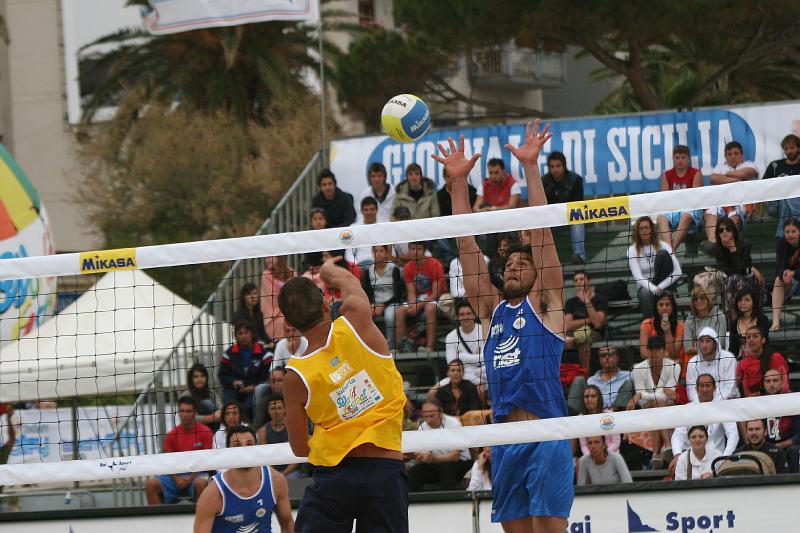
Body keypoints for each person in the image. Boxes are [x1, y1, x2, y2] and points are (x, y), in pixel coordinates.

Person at [435, 122, 574, 530]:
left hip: (546, 436)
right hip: (505, 442)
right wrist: (458, 186)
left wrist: (531, 169)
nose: (513, 267)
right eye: (509, 264)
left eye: (522, 263)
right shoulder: (492, 310)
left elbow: (543, 234)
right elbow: (466, 246)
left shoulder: (547, 303)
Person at [279, 259, 408, 532]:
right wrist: (327, 269)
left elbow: (300, 448)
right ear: (326, 303)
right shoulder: (357, 319)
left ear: (289, 323)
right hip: (384, 469)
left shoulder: (294, 378)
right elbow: (349, 282)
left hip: (335, 477)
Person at [193, 425, 294, 533]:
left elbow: (287, 524)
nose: (244, 449)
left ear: (257, 448)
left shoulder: (276, 480)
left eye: (249, 444)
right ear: (228, 452)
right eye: (237, 445)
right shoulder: (213, 494)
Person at [145, 397, 213, 505]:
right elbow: (168, 462)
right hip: (174, 475)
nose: (185, 414)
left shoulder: (205, 431)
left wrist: (190, 479)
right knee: (150, 485)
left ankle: (201, 519)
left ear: (195, 412)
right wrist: (176, 478)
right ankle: (157, 520)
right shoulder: (172, 434)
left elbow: (206, 462)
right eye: (182, 411)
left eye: (188, 411)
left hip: (197, 474)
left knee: (201, 483)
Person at [628, 336, 681, 469]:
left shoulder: (674, 366)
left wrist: (641, 394)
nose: (654, 353)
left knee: (658, 404)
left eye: (657, 349)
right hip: (647, 407)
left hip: (668, 406)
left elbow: (668, 394)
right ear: (647, 351)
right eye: (651, 349)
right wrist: (647, 396)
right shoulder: (638, 368)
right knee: (657, 403)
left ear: (664, 351)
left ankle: (656, 454)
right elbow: (648, 399)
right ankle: (667, 446)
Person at [669, 374, 738, 473]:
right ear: (696, 389)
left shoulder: (723, 408)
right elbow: (678, 435)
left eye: (708, 385)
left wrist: (725, 457)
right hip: (690, 459)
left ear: (714, 388)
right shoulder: (687, 409)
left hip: (716, 459)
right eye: (702, 386)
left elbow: (733, 434)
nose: (705, 389)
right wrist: (677, 455)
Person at [408, 399, 472, 491]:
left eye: (431, 416)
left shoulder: (453, 423)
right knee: (415, 470)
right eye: (425, 416)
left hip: (460, 464)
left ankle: (449, 500)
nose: (428, 420)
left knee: (446, 467)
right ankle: (411, 502)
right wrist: (420, 457)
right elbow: (421, 454)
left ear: (440, 412)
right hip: (437, 465)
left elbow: (455, 456)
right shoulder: (423, 427)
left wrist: (432, 459)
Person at [395, 242, 446, 353]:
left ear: (424, 250)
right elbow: (411, 292)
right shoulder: (408, 267)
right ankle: (401, 347)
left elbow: (436, 293)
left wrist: (419, 306)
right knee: (400, 311)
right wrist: (413, 305)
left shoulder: (434, 264)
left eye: (418, 248)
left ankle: (429, 347)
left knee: (429, 309)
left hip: (436, 298)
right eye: (412, 249)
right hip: (418, 299)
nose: (415, 251)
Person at [655, 145, 708, 251]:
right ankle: (670, 251)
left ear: (688, 159)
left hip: (691, 208)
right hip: (673, 208)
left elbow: (695, 198)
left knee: (686, 215)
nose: (680, 160)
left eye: (683, 157)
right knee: (660, 218)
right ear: (673, 159)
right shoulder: (667, 175)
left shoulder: (696, 173)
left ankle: (670, 251)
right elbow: (665, 198)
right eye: (677, 157)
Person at [628, 216, 682, 317]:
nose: (644, 230)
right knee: (645, 295)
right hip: (646, 287)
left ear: (652, 229)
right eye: (641, 228)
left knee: (662, 254)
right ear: (637, 231)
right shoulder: (632, 250)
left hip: (665, 284)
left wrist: (659, 287)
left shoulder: (664, 245)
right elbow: (638, 277)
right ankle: (652, 327)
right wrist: (653, 289)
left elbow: (678, 271)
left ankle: (670, 326)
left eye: (646, 227)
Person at [219, 320, 272, 421]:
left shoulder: (264, 354)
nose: (244, 336)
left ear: (252, 334)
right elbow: (222, 375)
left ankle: (253, 428)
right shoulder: (229, 354)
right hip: (234, 389)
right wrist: (233, 382)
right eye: (240, 333)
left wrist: (254, 387)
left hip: (255, 390)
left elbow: (268, 377)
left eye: (246, 332)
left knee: (249, 406)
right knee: (229, 405)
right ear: (236, 335)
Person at [541, 151, 586, 264]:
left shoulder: (575, 180)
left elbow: (577, 205)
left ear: (564, 166)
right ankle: (542, 260)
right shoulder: (543, 181)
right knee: (537, 223)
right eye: (552, 166)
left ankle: (579, 256)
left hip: (570, 218)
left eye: (558, 166)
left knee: (578, 220)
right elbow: (542, 206)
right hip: (551, 220)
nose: (555, 169)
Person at [714, 216, 763, 317]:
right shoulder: (717, 248)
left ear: (733, 231)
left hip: (747, 281)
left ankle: (734, 320)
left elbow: (742, 270)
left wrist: (733, 250)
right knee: (731, 280)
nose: (724, 232)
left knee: (733, 279)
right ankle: (734, 322)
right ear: (717, 233)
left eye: (728, 229)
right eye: (721, 230)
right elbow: (726, 271)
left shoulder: (745, 244)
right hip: (729, 283)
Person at [707, 141, 759, 234]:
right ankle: (713, 243)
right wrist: (735, 181)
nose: (733, 156)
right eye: (729, 154)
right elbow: (713, 179)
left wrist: (727, 175)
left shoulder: (749, 164)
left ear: (742, 155)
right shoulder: (720, 167)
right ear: (725, 157)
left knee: (733, 218)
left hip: (743, 204)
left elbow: (747, 173)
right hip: (723, 203)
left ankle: (732, 245)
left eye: (736, 153)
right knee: (710, 214)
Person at [435, 300, 485, 395]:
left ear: (474, 315)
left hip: (481, 375)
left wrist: (462, 357)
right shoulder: (450, 336)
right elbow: (452, 364)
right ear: (457, 317)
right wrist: (476, 358)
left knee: (481, 391)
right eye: (462, 314)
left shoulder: (484, 331)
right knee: (432, 392)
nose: (465, 317)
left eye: (468, 313)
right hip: (458, 376)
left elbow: (486, 359)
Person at [567, 345, 633, 415]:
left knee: (629, 383)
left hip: (618, 414)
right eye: (603, 355)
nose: (606, 357)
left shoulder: (628, 375)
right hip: (594, 413)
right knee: (579, 380)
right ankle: (571, 416)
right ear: (599, 359)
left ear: (617, 357)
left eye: (610, 354)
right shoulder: (591, 380)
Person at [564, 270, 608, 371]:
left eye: (581, 279)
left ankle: (585, 372)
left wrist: (587, 301)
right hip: (573, 333)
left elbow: (597, 324)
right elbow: (568, 325)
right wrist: (590, 319)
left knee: (584, 333)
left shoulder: (600, 299)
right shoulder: (571, 302)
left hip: (595, 333)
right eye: (575, 281)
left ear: (589, 281)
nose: (578, 282)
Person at [362, 244, 403, 350]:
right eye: (376, 251)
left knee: (389, 317)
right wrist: (371, 305)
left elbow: (398, 295)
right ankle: (370, 347)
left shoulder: (394, 269)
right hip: (375, 303)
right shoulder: (368, 271)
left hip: (392, 302)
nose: (378, 253)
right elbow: (367, 293)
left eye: (381, 251)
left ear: (386, 253)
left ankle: (390, 347)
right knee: (365, 315)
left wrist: (383, 305)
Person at [684, 327, 738, 402]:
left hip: (726, 404)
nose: (704, 345)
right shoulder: (692, 363)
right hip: (701, 406)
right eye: (701, 341)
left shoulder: (728, 358)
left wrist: (713, 404)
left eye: (708, 341)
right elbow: (692, 393)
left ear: (715, 344)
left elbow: (730, 390)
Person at [437, 168, 477, 266]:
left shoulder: (471, 191)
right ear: (445, 177)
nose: (451, 179)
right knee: (438, 234)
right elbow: (441, 216)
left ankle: (469, 254)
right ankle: (451, 258)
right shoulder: (440, 195)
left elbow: (472, 213)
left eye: (453, 176)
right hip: (448, 226)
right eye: (448, 176)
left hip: (467, 225)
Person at [763, 369, 800, 473]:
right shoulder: (759, 403)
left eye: (775, 380)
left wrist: (780, 445)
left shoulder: (794, 401)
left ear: (782, 382)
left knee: (794, 451)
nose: (771, 384)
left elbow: (799, 435)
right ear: (764, 384)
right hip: (766, 446)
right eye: (768, 381)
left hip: (790, 446)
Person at [736, 325, 789, 397]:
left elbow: (784, 385)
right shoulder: (742, 364)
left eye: (755, 336)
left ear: (763, 340)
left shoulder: (775, 358)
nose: (751, 339)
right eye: (748, 337)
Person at [765, 134, 800, 244]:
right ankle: (795, 230)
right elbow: (764, 185)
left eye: (792, 148)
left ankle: (782, 235)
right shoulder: (775, 165)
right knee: (786, 197)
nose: (789, 151)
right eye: (786, 149)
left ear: (798, 148)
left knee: (787, 199)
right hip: (775, 205)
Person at [257, 396, 301, 479]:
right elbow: (265, 457)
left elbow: (298, 457)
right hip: (271, 471)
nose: (276, 411)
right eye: (272, 408)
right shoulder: (263, 431)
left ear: (285, 409)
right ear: (268, 411)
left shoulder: (294, 427)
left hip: (292, 471)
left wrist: (283, 474)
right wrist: (275, 474)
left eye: (279, 408)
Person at [639, 291, 685, 367]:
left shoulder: (680, 326)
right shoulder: (646, 324)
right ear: (656, 307)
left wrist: (668, 332)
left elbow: (673, 355)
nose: (664, 308)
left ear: (672, 307)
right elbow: (643, 353)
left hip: (671, 366)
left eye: (667, 304)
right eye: (661, 305)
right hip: (652, 365)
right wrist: (665, 355)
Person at [770, 217, 800, 331]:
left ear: (799, 231)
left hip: (797, 277)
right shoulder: (781, 243)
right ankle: (776, 321)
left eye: (793, 231)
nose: (790, 234)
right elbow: (778, 268)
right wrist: (785, 273)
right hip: (790, 282)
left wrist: (794, 273)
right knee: (778, 279)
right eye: (787, 232)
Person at [260, 256, 297, 341]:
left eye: (270, 257)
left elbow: (296, 293)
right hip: (275, 317)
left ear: (279, 257)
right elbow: (272, 298)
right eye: (266, 258)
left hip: (292, 312)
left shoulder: (291, 272)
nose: (267, 260)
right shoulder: (266, 275)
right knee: (283, 323)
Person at [576, 385, 621, 456]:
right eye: (586, 397)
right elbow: (583, 446)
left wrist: (603, 454)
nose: (589, 400)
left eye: (593, 396)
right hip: (591, 457)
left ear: (599, 398)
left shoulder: (609, 415)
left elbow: (616, 443)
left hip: (611, 455)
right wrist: (592, 456)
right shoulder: (580, 419)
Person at [683, 287, 727, 359]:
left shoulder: (719, 316)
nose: (699, 300)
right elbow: (687, 348)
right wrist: (710, 344)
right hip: (697, 359)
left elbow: (720, 344)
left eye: (702, 298)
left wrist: (696, 345)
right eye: (695, 299)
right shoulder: (689, 320)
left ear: (708, 299)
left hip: (717, 358)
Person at [728, 289, 770, 358]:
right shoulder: (734, 324)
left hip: (761, 359)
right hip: (741, 363)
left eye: (747, 300)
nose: (743, 303)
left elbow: (765, 344)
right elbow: (733, 349)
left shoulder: (762, 319)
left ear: (753, 302)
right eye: (740, 300)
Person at [345, 196, 381, 270]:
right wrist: (356, 266)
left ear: (377, 210)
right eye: (366, 210)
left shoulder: (384, 226)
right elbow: (349, 253)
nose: (369, 212)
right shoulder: (353, 228)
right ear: (361, 211)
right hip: (361, 264)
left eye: (372, 209)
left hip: (380, 263)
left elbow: (390, 252)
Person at [232, 282, 273, 348]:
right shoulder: (239, 315)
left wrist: (270, 342)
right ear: (244, 297)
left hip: (261, 345)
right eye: (249, 294)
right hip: (247, 346)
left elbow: (262, 332)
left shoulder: (259, 313)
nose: (253, 297)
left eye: (255, 293)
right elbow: (243, 335)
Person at [183, 363, 218, 427]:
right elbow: (189, 418)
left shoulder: (211, 393)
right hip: (194, 431)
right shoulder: (186, 395)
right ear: (191, 379)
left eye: (202, 376)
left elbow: (222, 409)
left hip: (213, 430)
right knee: (206, 403)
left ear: (206, 378)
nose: (199, 379)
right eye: (196, 377)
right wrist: (213, 417)